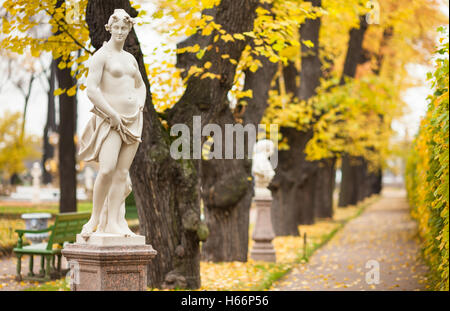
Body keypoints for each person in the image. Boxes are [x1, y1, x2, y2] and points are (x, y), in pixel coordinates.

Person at [78, 9, 146, 237]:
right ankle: (94, 219)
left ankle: (115, 223)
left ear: (128, 30)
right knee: (107, 170)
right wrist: (111, 114)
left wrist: (140, 105)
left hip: (133, 120)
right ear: (109, 29)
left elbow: (140, 85)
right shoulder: (101, 56)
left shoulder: (130, 59)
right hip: (111, 121)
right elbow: (92, 90)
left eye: (123, 28)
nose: (119, 32)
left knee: (122, 173)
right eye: (115, 27)